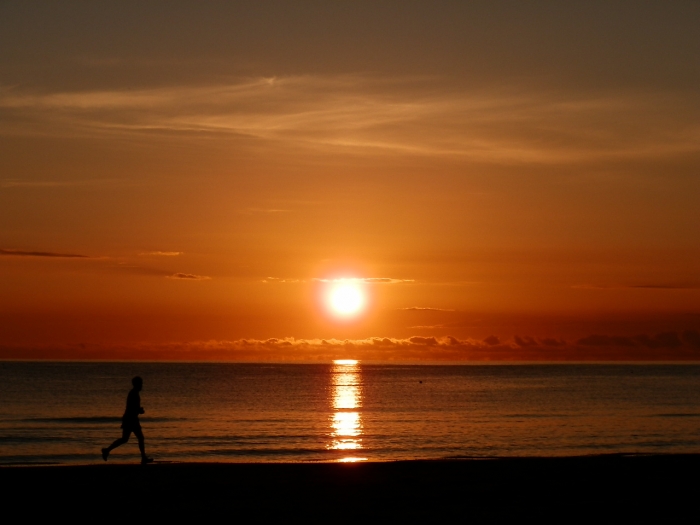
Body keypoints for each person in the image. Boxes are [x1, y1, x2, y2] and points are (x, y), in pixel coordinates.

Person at [102, 376, 153, 464]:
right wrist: (140, 410)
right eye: (141, 384)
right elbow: (132, 408)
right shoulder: (134, 394)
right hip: (131, 419)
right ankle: (143, 458)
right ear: (137, 384)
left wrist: (138, 410)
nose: (142, 386)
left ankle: (107, 450)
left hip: (131, 418)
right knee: (136, 438)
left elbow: (132, 407)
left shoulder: (134, 393)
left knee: (126, 439)